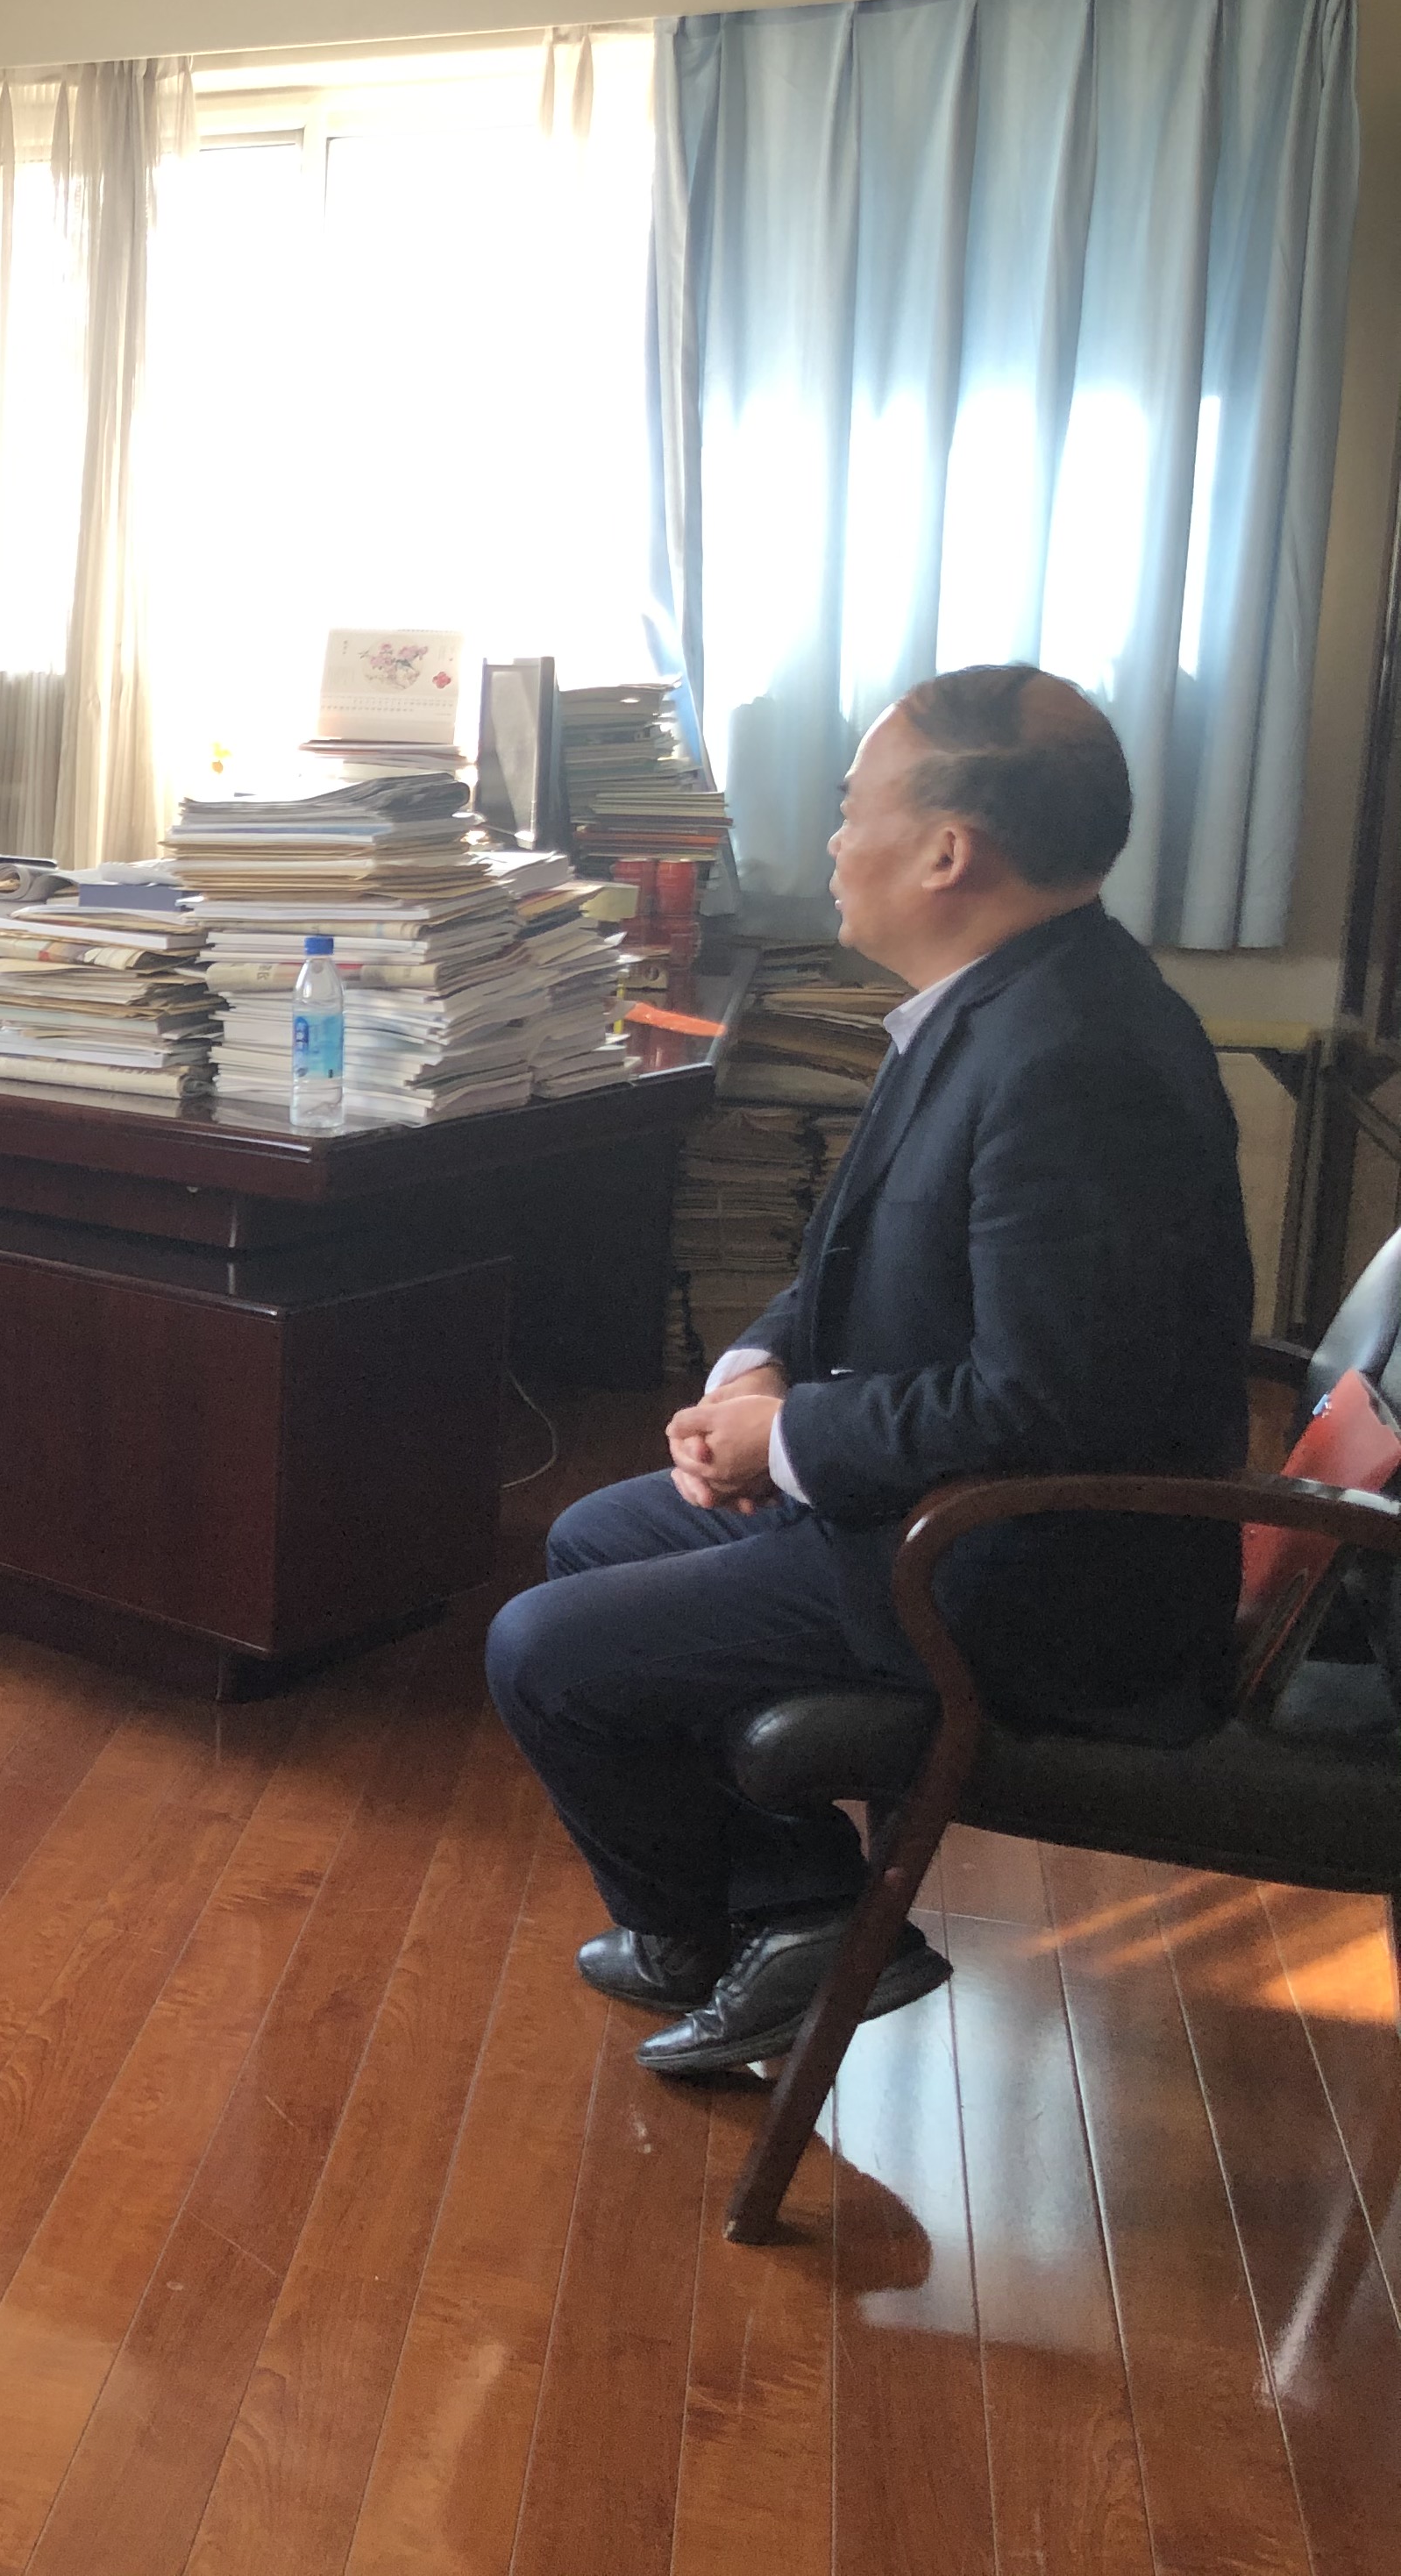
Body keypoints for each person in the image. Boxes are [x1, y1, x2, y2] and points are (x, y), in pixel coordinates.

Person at [487, 665, 1250, 2075]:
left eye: (854, 809)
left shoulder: (1076, 1061)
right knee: (595, 1535)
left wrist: (788, 1443)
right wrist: (753, 1372)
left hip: (1028, 1572)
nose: (835, 841)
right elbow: (861, 1255)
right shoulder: (1005, 998)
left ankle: (798, 1921)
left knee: (544, 1652)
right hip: (949, 1510)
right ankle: (756, 1916)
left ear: (949, 850)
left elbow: (1048, 1402)